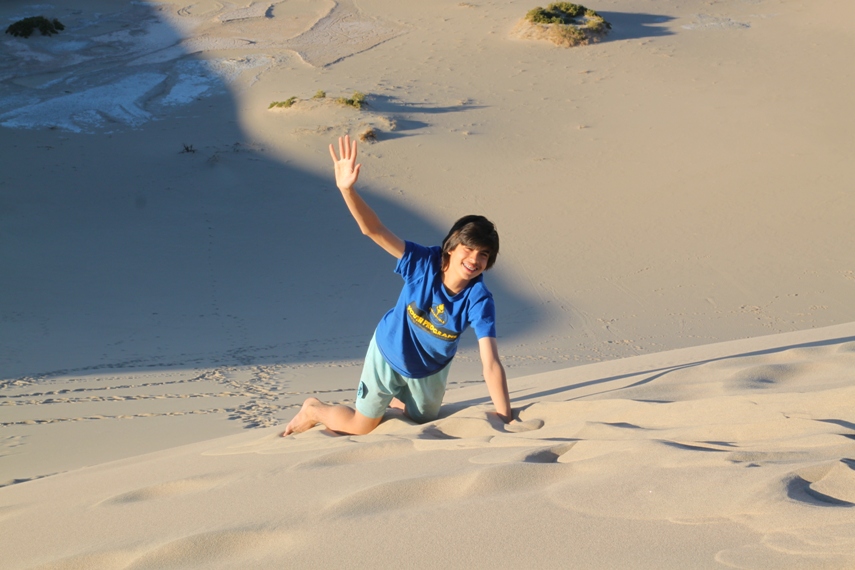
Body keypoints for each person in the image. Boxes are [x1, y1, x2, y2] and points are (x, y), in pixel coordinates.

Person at [282, 135, 512, 436]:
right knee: (360, 427)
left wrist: (506, 419)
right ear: (453, 247)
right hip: (390, 352)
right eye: (469, 249)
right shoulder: (423, 263)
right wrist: (347, 189)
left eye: (484, 255)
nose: (474, 259)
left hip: (430, 370)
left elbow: (490, 362)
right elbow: (373, 230)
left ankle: (399, 399)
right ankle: (314, 408)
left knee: (421, 423)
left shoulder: (479, 299)